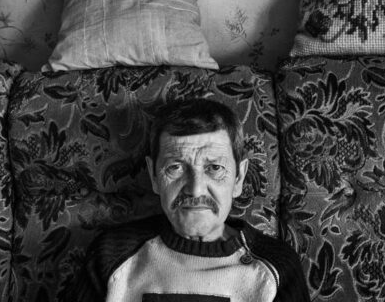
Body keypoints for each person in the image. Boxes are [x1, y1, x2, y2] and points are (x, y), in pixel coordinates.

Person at [67, 97, 308, 302]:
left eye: (214, 167)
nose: (195, 190)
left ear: (238, 178)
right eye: (175, 167)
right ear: (154, 176)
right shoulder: (109, 255)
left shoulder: (278, 268)